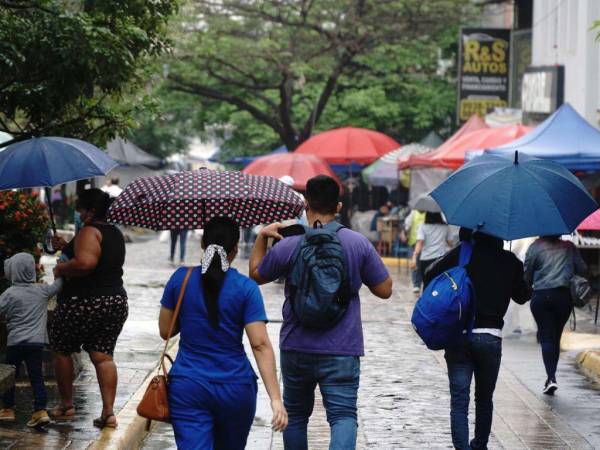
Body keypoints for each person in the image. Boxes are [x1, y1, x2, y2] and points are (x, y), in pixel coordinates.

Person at [249, 175, 393, 450]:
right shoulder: (357, 243)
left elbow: (256, 274)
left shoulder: (289, 245)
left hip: (296, 345)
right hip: (343, 347)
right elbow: (385, 290)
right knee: (342, 416)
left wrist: (262, 237)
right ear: (338, 207)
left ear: (305, 204)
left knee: (297, 415)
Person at [159, 217, 287, 449]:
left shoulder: (181, 279)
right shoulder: (245, 288)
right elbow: (260, 345)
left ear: (202, 245)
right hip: (235, 388)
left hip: (189, 387)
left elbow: (165, 330)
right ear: (236, 248)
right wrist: (276, 399)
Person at [424, 230, 530, 450]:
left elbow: (429, 273)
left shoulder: (463, 254)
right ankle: (479, 445)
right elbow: (522, 296)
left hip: (459, 337)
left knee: (459, 402)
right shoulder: (510, 261)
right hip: (490, 338)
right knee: (484, 399)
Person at [50, 188, 128, 428]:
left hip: (84, 302)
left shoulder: (89, 231)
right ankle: (108, 413)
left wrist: (61, 269)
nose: (79, 214)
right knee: (103, 356)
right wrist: (66, 246)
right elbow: (95, 257)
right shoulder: (114, 233)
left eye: (81, 210)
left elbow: (86, 263)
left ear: (91, 211)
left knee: (62, 349)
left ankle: (66, 405)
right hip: (115, 301)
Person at [0, 253, 63, 427]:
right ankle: (40, 411)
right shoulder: (41, 291)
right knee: (36, 377)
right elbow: (59, 285)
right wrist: (59, 269)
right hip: (36, 343)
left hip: (15, 343)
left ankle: (7, 409)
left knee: (10, 377)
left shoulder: (9, 293)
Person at [524, 236, 587, 395]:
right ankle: (551, 377)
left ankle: (551, 378)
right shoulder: (569, 247)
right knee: (555, 337)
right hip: (563, 297)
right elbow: (582, 269)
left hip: (541, 296)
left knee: (546, 337)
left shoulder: (535, 247)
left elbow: (527, 275)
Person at [410, 212, 453, 286]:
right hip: (440, 259)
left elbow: (419, 243)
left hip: (426, 260)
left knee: (426, 284)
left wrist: (414, 257)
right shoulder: (445, 227)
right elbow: (450, 243)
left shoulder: (422, 227)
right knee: (438, 284)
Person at [401, 208, 426, 293]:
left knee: (422, 264)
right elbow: (407, 224)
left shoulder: (431, 214)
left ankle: (422, 282)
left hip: (425, 243)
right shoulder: (414, 213)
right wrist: (404, 232)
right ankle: (416, 285)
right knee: (415, 264)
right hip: (414, 242)